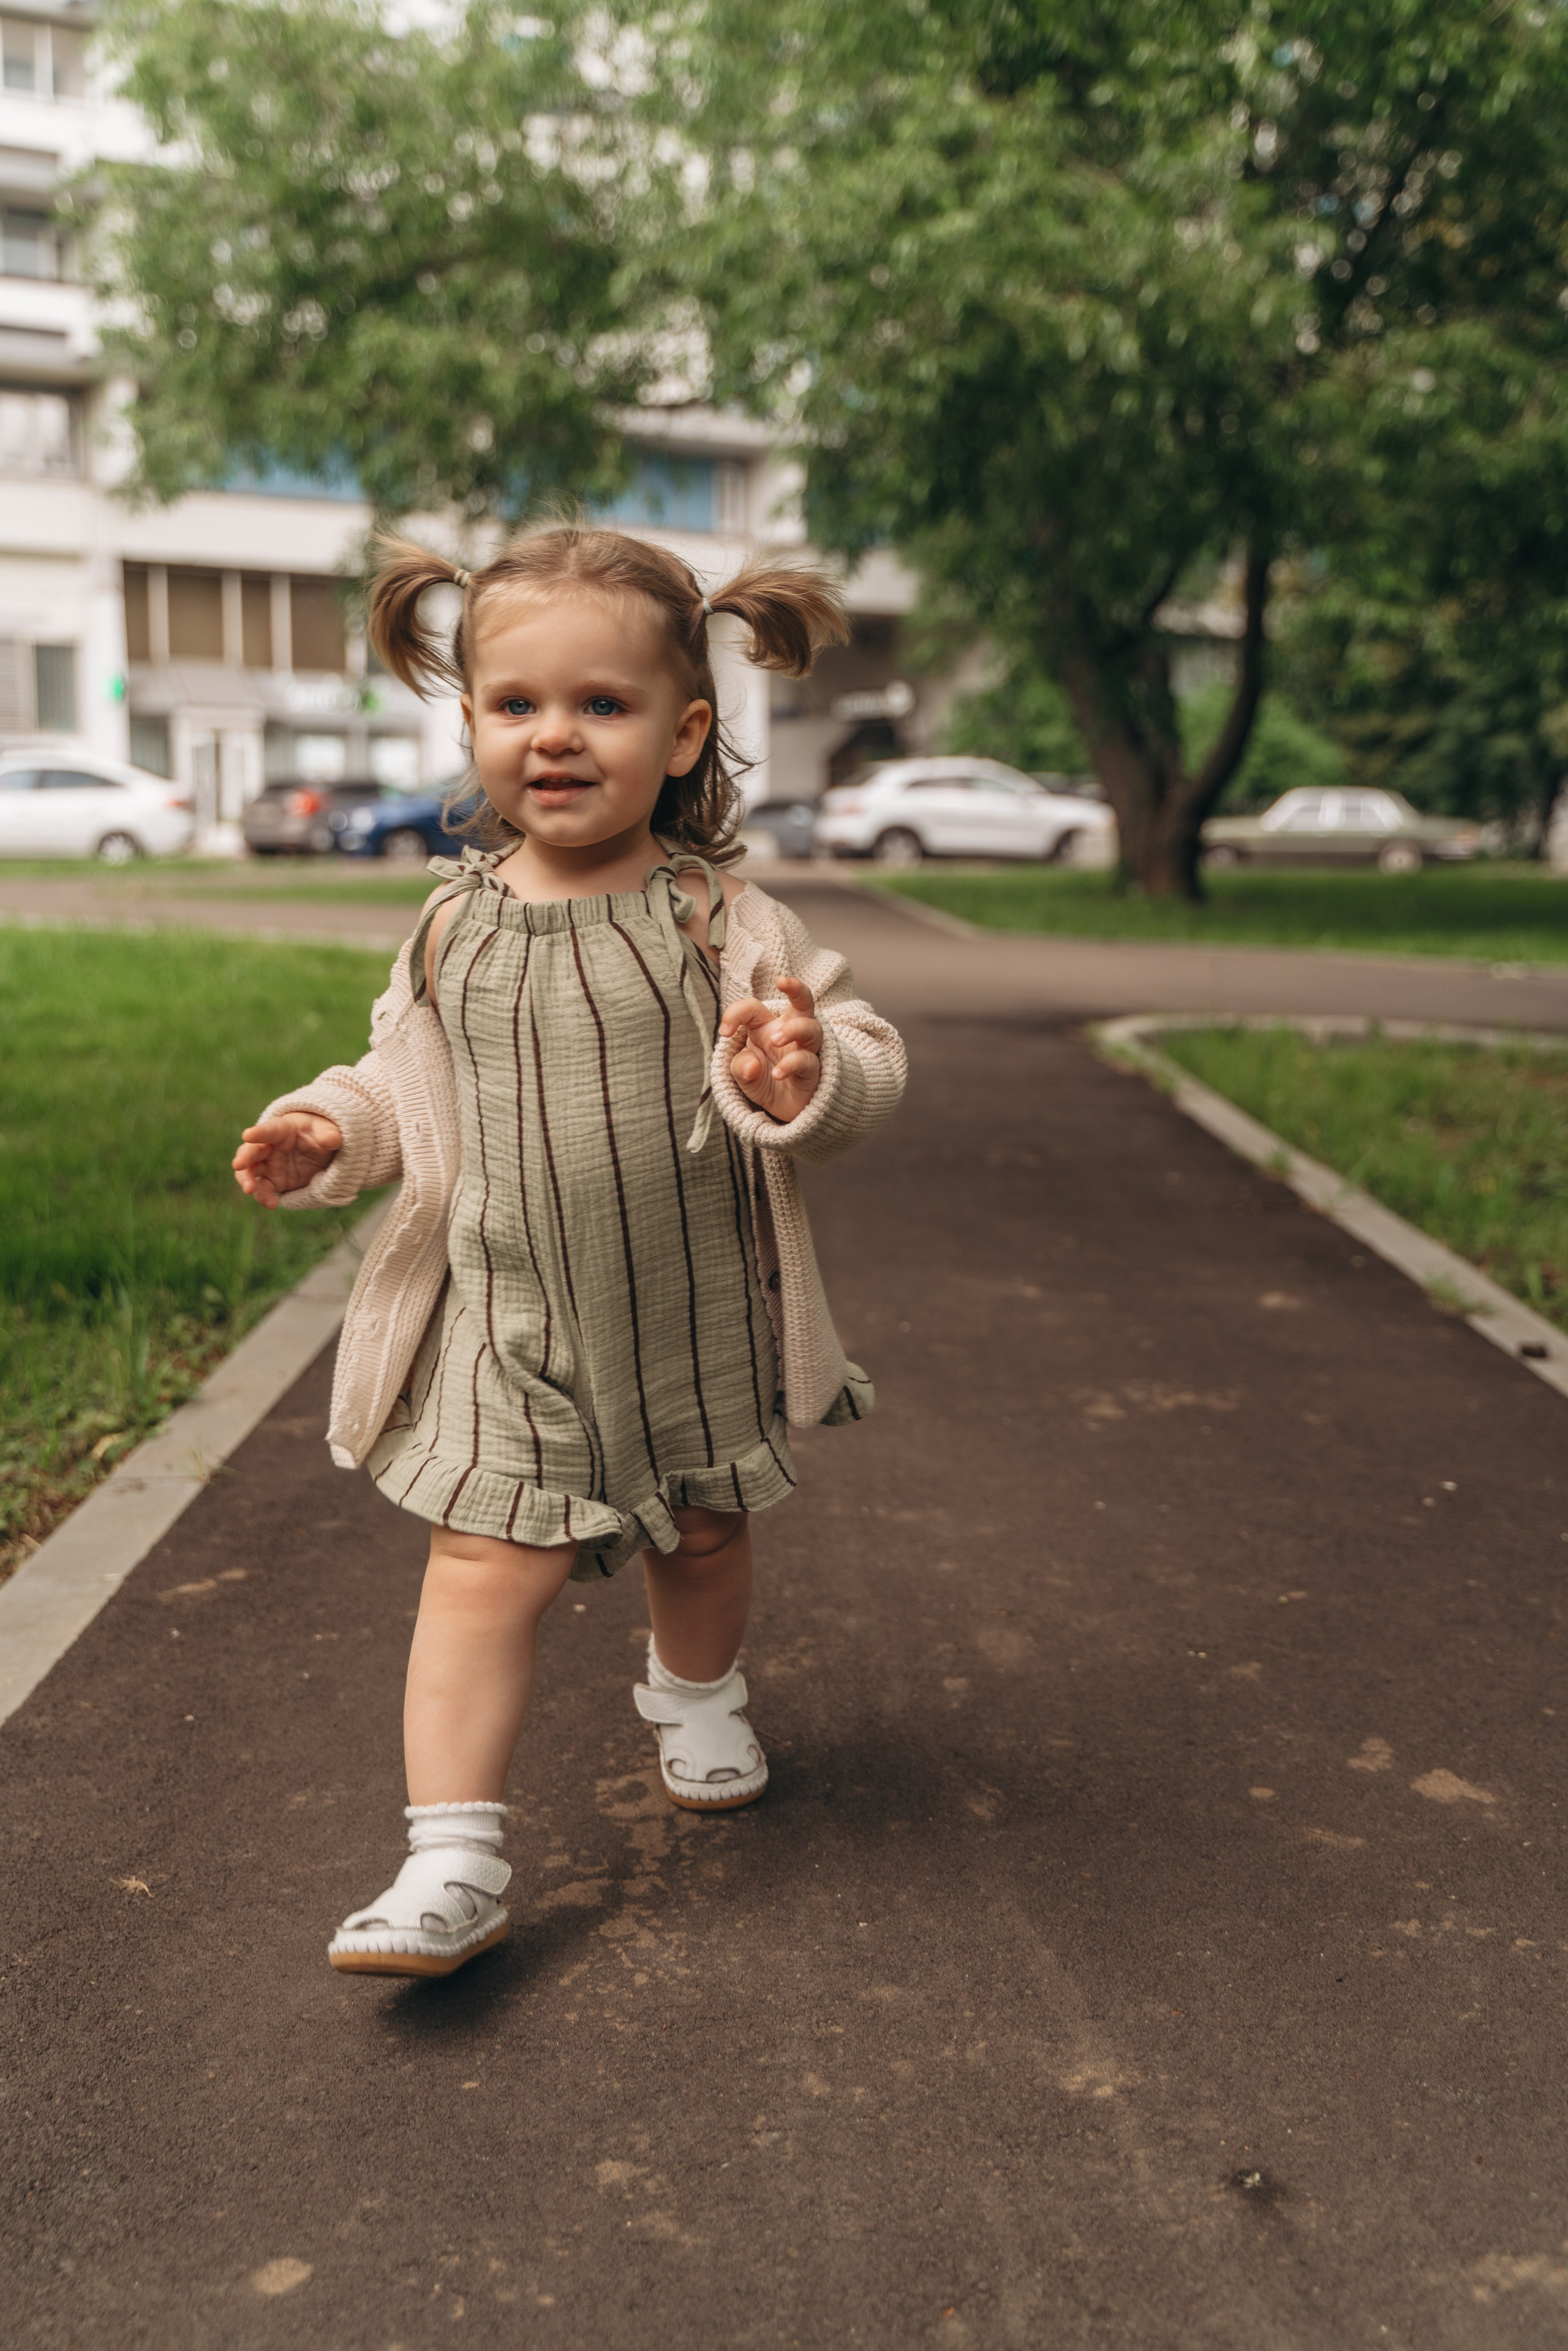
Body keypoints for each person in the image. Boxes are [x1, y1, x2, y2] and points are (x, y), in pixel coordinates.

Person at [232, 522, 906, 1979]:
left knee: (708, 1531)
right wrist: (329, 1130)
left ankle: (694, 1686)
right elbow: (400, 1084)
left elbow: (852, 1053)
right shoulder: (447, 927)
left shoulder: (723, 918)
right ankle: (450, 1856)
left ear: (684, 732)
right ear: (469, 720)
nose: (553, 736)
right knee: (477, 1566)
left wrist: (804, 1072)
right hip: (507, 1320)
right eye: (513, 703)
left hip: (691, 1309)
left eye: (600, 705)